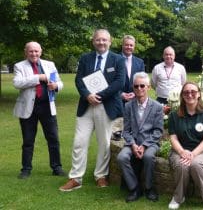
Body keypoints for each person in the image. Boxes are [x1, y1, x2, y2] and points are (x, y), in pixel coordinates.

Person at [60, 29, 125, 191]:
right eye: (98, 40)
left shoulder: (118, 59)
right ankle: (76, 177)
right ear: (93, 41)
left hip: (106, 106)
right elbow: (79, 80)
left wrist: (100, 96)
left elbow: (119, 82)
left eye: (104, 40)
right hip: (86, 106)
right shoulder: (85, 58)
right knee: (79, 141)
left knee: (104, 142)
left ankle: (101, 175)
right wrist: (87, 95)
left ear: (110, 42)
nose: (101, 43)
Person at [13, 42, 65, 179]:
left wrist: (56, 86)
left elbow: (60, 82)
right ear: (26, 52)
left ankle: (57, 167)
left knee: (53, 138)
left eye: (36, 51)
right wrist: (39, 78)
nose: (34, 54)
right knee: (28, 140)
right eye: (31, 51)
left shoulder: (49, 65)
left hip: (47, 107)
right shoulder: (19, 66)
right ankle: (26, 169)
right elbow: (17, 83)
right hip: (28, 108)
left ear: (41, 52)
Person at [167, 82, 203, 210]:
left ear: (199, 94)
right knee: (182, 164)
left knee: (196, 164)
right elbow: (173, 138)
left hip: (202, 152)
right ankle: (178, 197)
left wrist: (193, 154)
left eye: (193, 92)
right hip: (179, 151)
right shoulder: (174, 115)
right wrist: (182, 152)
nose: (190, 94)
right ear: (182, 95)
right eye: (186, 92)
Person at [117, 72, 163, 203]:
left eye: (142, 86)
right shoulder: (128, 106)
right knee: (121, 157)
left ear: (148, 87)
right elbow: (126, 131)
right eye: (136, 86)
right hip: (132, 143)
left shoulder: (157, 107)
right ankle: (135, 188)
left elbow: (158, 131)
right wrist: (132, 145)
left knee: (148, 156)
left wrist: (144, 145)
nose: (139, 89)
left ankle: (149, 188)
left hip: (150, 143)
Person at [112, 35, 145, 139]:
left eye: (131, 45)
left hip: (135, 100)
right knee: (116, 130)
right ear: (122, 45)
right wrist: (120, 94)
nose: (129, 47)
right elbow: (110, 81)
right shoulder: (113, 60)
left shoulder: (139, 62)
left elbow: (142, 81)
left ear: (134, 47)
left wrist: (135, 93)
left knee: (134, 128)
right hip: (117, 100)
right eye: (127, 45)